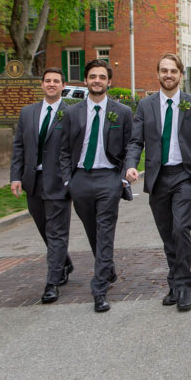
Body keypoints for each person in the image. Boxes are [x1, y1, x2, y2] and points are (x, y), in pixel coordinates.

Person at [125, 53, 191, 312]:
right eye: (164, 70)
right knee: (167, 233)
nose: (168, 75)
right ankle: (174, 280)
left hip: (184, 175)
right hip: (158, 177)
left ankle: (184, 285)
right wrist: (130, 164)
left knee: (181, 228)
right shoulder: (146, 105)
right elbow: (135, 141)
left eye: (173, 71)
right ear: (158, 74)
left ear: (181, 75)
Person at [59, 59, 133, 313]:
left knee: (105, 231)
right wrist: (69, 181)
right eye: (93, 76)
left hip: (108, 179)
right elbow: (64, 149)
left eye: (102, 76)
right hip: (81, 179)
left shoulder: (122, 112)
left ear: (109, 81)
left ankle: (99, 287)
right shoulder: (71, 113)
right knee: (93, 231)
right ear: (86, 80)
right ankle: (108, 270)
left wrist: (122, 178)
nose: (97, 80)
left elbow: (129, 148)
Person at [10, 67, 74, 304]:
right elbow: (19, 146)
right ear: (42, 85)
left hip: (58, 183)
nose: (51, 84)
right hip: (33, 182)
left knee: (57, 231)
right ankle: (64, 262)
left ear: (63, 86)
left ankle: (52, 282)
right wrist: (15, 177)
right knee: (44, 229)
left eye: (56, 81)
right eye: (48, 81)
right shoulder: (28, 113)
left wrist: (72, 180)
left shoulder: (71, 113)